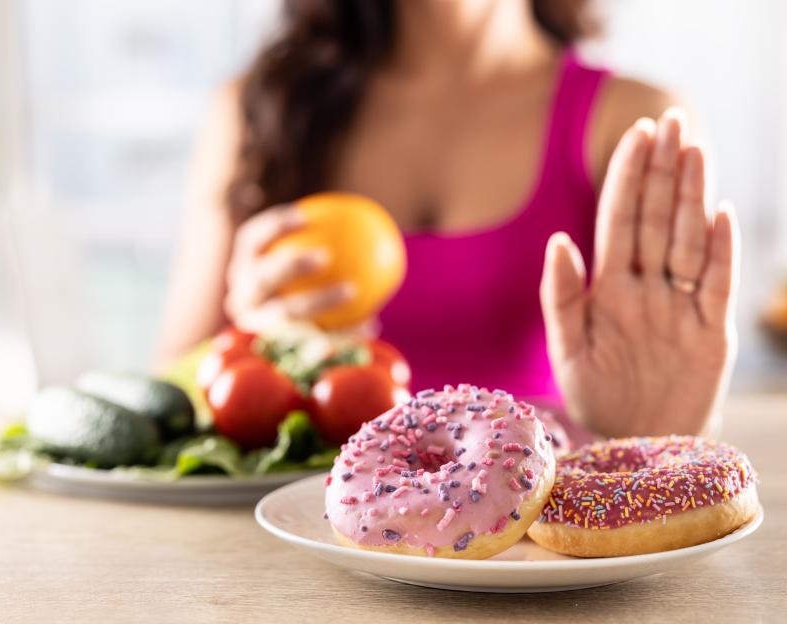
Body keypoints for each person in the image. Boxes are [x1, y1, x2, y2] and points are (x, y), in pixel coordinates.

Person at [156, 0, 739, 439]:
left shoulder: (636, 122)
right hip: (300, 556)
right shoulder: (255, 112)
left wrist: (661, 436)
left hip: (535, 566)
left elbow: (668, 410)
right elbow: (167, 404)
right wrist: (249, 349)